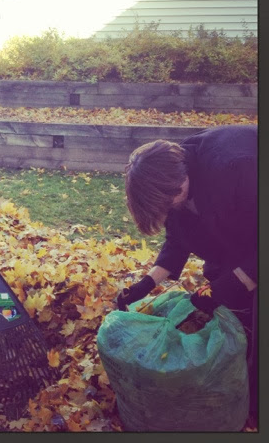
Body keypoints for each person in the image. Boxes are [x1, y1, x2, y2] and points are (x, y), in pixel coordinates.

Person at [117, 124, 258, 417]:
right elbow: (178, 240)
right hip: (235, 241)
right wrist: (146, 284)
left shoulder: (236, 167)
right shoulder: (172, 184)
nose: (168, 211)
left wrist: (231, 285)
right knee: (232, 316)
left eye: (168, 205)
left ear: (180, 184)